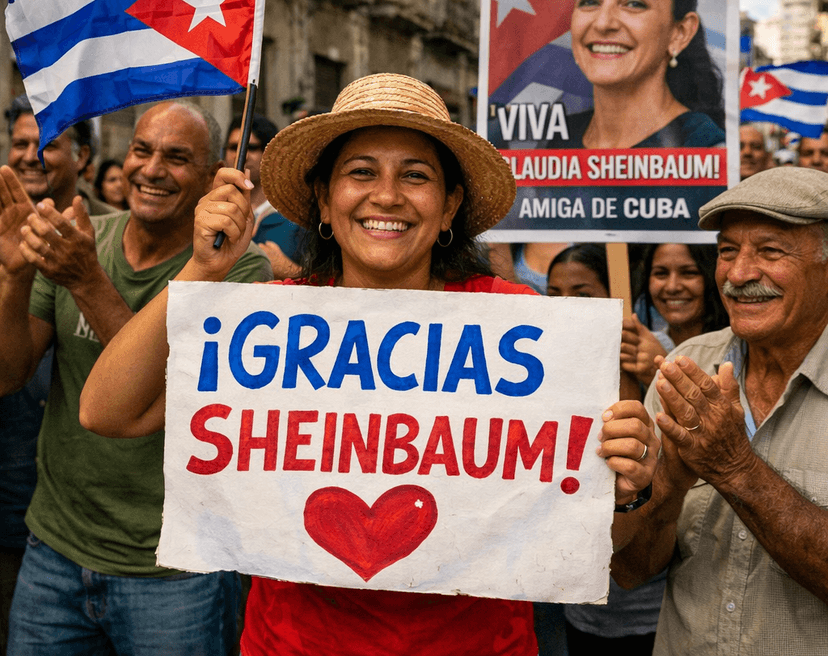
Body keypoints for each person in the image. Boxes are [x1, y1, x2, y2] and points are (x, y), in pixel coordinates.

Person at [80, 73, 658, 656]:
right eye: (361, 172)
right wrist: (202, 272)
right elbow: (105, 411)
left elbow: (607, 545)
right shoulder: (264, 327)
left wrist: (631, 487)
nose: (387, 195)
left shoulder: (522, 328)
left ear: (450, 205)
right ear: (325, 203)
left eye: (415, 175)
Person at [0, 101, 272, 655]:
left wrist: (87, 281)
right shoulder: (84, 237)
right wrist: (15, 277)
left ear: (211, 174)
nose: (151, 170)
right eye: (142, 151)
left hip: (174, 574)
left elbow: (166, 396)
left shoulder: (239, 269)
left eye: (176, 158)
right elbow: (10, 373)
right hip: (55, 551)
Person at [611, 166, 828, 655]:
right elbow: (630, 572)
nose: (738, 274)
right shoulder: (685, 370)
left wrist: (733, 467)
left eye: (771, 251)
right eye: (728, 250)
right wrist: (667, 482)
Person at [0, 95, 117, 655]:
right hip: (13, 499)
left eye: (44, 144)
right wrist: (11, 277)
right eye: (19, 143)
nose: (28, 157)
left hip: (101, 526)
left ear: (85, 157)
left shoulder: (122, 236)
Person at [546, 243, 665, 653]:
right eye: (554, 294)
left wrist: (656, 368)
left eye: (583, 295)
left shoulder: (654, 351)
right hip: (580, 606)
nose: (567, 306)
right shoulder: (540, 366)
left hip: (653, 606)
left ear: (613, 296)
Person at [560, 0, 725, 149]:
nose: (603, 23)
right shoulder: (548, 142)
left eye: (634, 3)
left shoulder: (709, 150)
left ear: (680, 33)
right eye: (589, 1)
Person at [223, 113, 304, 279]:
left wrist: (290, 271)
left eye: (251, 148)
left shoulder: (297, 217)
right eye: (233, 147)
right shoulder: (212, 212)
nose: (241, 156)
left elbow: (330, 286)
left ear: (270, 154)